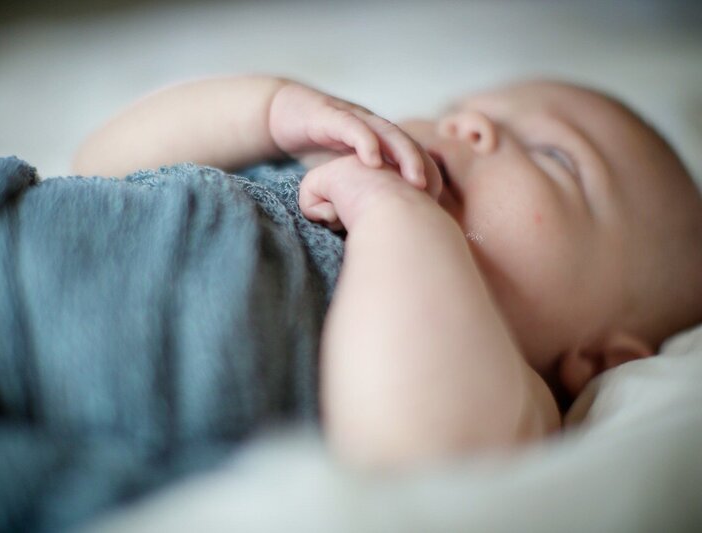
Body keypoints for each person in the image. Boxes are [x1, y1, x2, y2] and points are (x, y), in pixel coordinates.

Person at [74, 75, 702, 468]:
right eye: (461, 106)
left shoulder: (502, 388)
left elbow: (414, 447)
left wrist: (391, 214)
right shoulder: (302, 177)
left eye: (554, 156)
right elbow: (95, 173)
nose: (470, 125)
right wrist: (269, 111)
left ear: (597, 360)